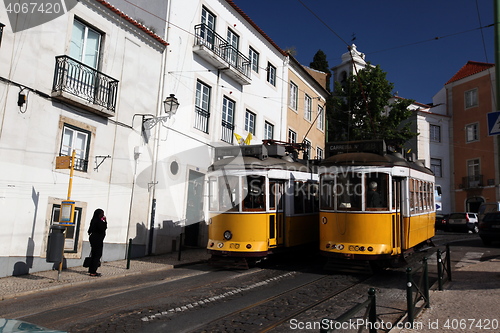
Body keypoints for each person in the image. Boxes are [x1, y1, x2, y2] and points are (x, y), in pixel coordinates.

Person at [87, 208, 107, 276]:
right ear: (99, 214)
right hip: (97, 239)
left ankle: (91, 269)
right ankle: (93, 272)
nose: (103, 215)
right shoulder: (99, 221)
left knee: (94, 254)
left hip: (93, 238)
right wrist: (105, 222)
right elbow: (103, 228)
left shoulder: (93, 220)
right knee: (97, 255)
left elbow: (89, 230)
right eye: (102, 213)